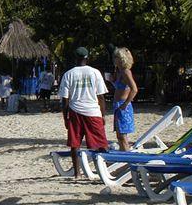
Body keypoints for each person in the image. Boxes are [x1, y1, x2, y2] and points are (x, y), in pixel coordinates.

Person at [58, 47, 109, 178]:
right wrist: (103, 115)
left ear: (75, 58)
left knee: (75, 143)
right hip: (93, 111)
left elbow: (65, 99)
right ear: (87, 57)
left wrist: (65, 117)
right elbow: (101, 97)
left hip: (75, 111)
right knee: (101, 143)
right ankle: (104, 171)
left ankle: (77, 173)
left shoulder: (68, 74)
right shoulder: (95, 73)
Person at [112, 47, 138, 151]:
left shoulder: (126, 72)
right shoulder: (120, 72)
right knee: (119, 135)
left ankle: (126, 156)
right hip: (118, 105)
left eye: (116, 57)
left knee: (122, 136)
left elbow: (134, 89)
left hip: (123, 105)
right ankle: (123, 154)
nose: (114, 59)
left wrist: (126, 103)